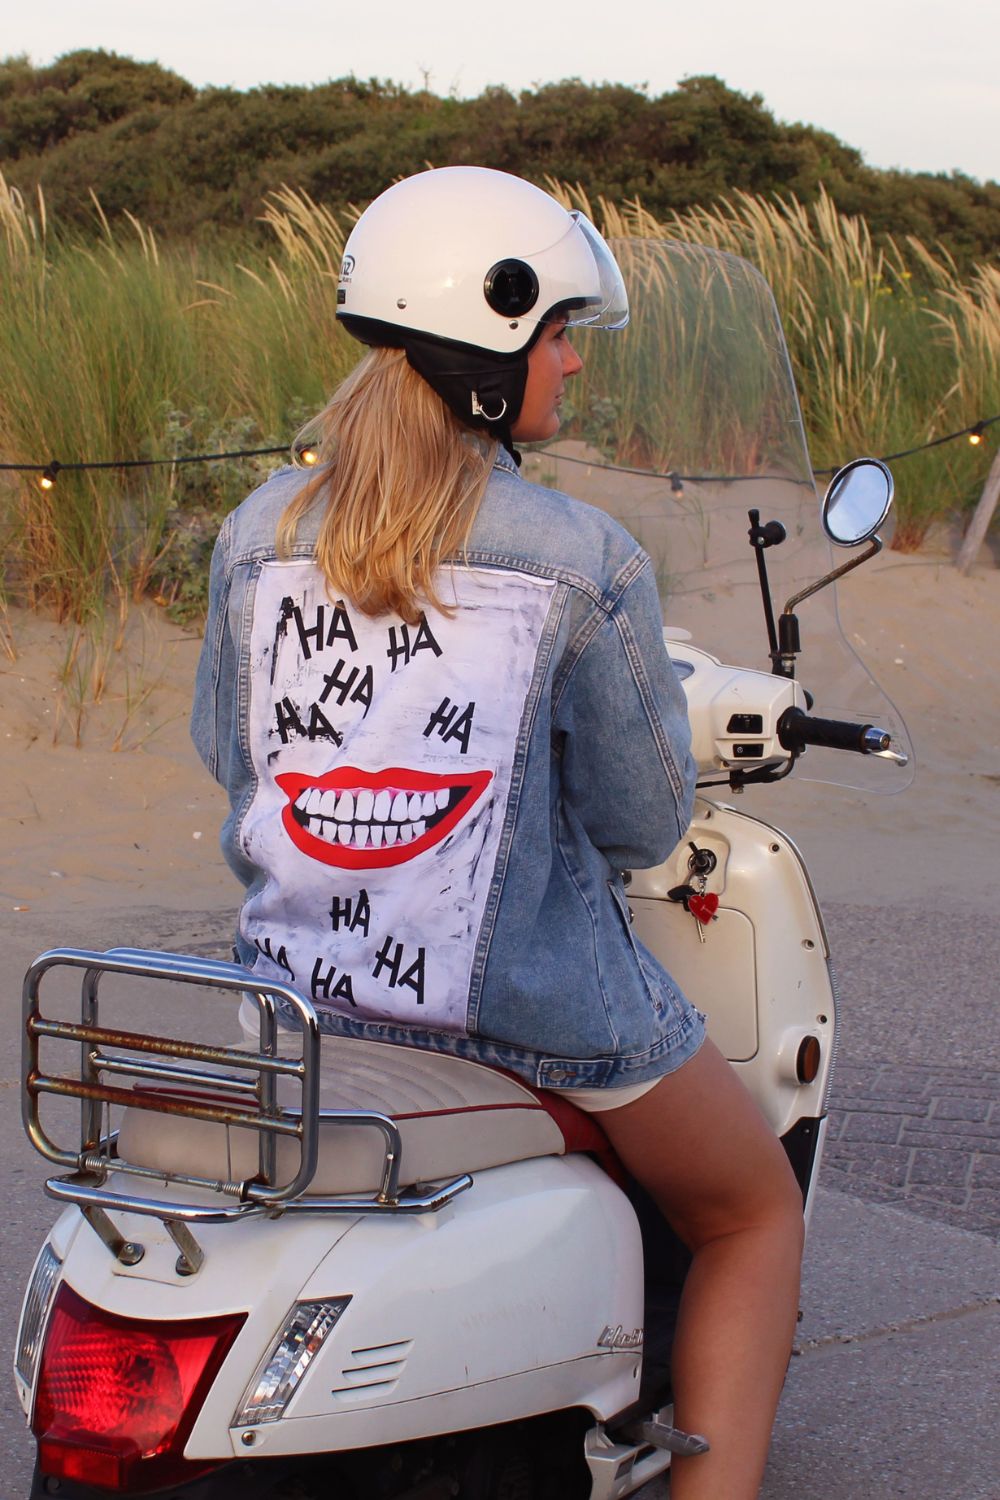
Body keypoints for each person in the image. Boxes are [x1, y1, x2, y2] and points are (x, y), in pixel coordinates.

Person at [192, 166, 803, 1500]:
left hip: (303, 999)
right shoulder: (583, 558)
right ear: (491, 346)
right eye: (560, 333)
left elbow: (232, 760)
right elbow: (647, 827)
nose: (574, 364)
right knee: (755, 1213)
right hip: (539, 1015)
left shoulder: (254, 539)